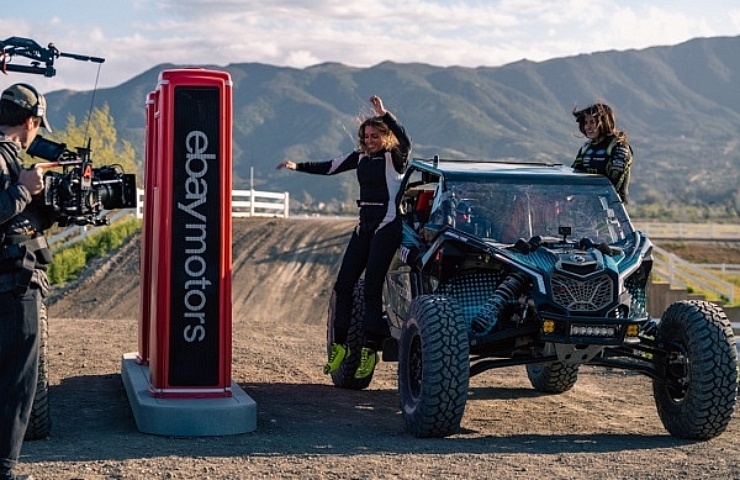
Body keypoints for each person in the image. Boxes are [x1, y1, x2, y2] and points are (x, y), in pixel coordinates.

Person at [277, 95, 411, 380]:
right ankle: (339, 346)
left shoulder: (394, 159)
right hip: (363, 227)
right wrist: (296, 166)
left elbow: (405, 140)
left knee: (373, 288)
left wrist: (383, 113)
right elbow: (328, 166)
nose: (369, 140)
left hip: (387, 227)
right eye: (365, 135)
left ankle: (368, 351)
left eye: (375, 135)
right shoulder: (359, 157)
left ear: (385, 136)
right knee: (343, 286)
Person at [0, 83, 53, 480]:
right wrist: (23, 190)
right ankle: (4, 467)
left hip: (11, 280)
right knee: (17, 377)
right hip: (12, 284)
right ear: (30, 121)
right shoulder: (4, 159)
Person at [571, 103, 633, 203]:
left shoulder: (618, 146)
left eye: (592, 122)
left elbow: (614, 181)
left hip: (612, 206)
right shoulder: (586, 148)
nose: (588, 127)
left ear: (605, 123)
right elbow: (574, 175)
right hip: (587, 204)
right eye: (586, 123)